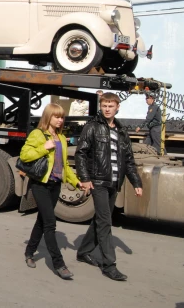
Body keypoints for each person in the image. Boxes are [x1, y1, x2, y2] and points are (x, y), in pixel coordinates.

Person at [75, 92, 143, 282]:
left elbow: (129, 160)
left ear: (117, 107)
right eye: (104, 105)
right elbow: (81, 153)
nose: (107, 109)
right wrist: (85, 178)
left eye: (110, 106)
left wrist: (136, 182)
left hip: (114, 182)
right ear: (101, 106)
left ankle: (84, 251)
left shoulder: (121, 131)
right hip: (98, 182)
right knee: (105, 221)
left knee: (101, 218)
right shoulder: (92, 127)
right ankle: (109, 265)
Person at [21, 103, 83, 280]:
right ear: (48, 117)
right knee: (50, 223)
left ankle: (29, 252)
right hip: (40, 184)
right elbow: (24, 155)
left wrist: (77, 183)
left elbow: (64, 167)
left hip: (55, 185)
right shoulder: (38, 134)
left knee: (42, 220)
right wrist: (44, 148)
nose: (60, 120)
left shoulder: (61, 138)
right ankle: (59, 264)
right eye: (57, 116)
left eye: (62, 117)